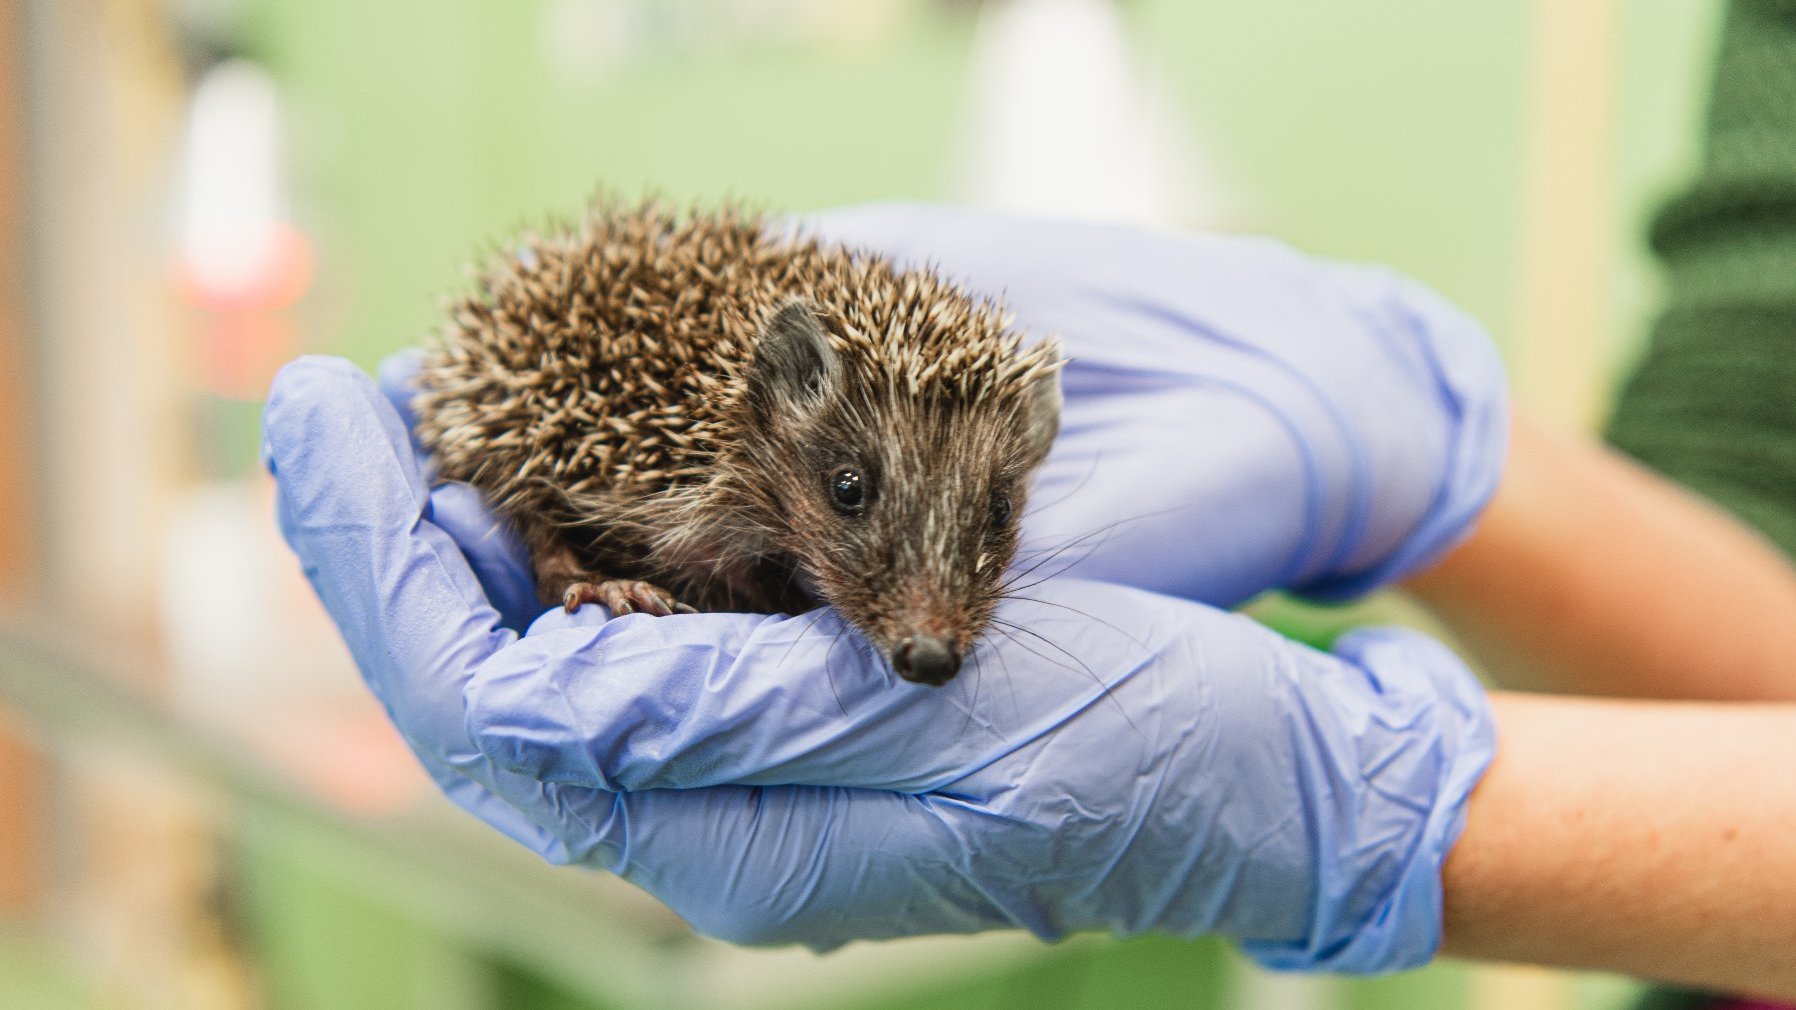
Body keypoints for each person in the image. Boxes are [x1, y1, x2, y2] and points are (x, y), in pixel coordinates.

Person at [260, 3, 1796, 999]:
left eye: (981, 538)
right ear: (780, 403)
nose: (934, 626)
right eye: (854, 495)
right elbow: (1755, 476)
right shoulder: (707, 448)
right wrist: (1469, 472)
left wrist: (1410, 821)